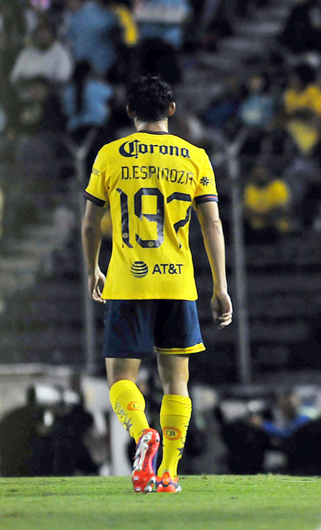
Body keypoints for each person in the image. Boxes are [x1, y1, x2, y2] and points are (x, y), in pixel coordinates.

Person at [81, 75, 232, 494]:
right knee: (176, 381)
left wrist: (94, 267)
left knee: (121, 378)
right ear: (171, 111)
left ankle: (142, 433)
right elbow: (212, 223)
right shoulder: (194, 156)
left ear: (130, 112)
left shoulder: (110, 155)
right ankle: (166, 472)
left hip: (128, 280)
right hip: (178, 283)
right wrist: (220, 286)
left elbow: (91, 221)